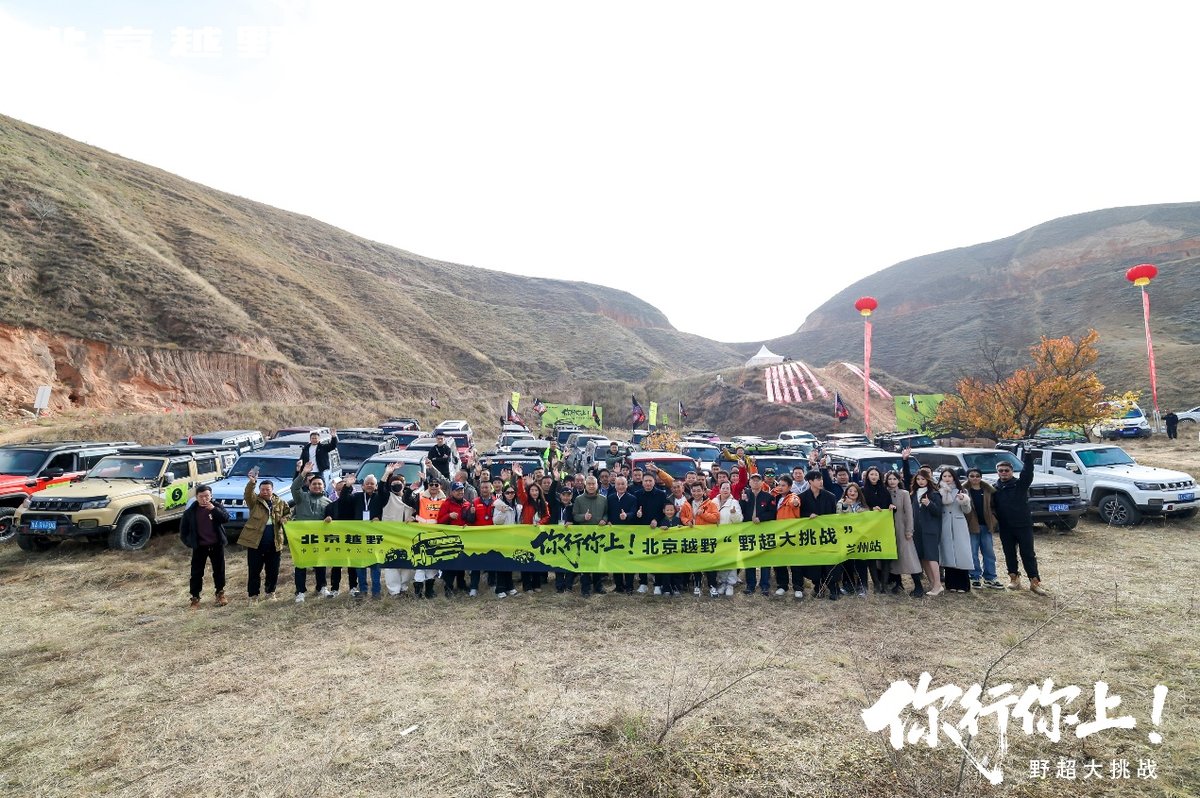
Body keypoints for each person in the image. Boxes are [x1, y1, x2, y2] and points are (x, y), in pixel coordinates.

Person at [993, 451, 1046, 595]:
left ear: (1011, 471)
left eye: (1006, 470)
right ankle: (1013, 578)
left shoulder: (1020, 485)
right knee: (1009, 553)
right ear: (997, 472)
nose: (1004, 473)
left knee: (1028, 554)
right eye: (1001, 471)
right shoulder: (994, 489)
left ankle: (1034, 582)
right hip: (1005, 527)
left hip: (1023, 525)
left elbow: (1027, 472)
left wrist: (1028, 457)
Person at [239, 470, 292, 601]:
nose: (265, 492)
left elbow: (288, 513)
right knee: (254, 571)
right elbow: (247, 494)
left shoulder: (280, 502)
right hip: (256, 542)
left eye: (267, 489)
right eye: (262, 489)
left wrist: (285, 519)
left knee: (273, 570)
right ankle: (253, 596)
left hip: (275, 542)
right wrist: (252, 482)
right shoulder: (254, 501)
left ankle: (270, 592)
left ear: (272, 490)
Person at [334, 474, 387, 599]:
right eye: (367, 483)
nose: (369, 485)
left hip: (374, 535)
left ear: (375, 486)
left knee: (375, 565)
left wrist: (379, 517)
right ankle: (362, 589)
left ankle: (376, 591)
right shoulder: (357, 497)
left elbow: (385, 499)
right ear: (362, 486)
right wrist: (347, 485)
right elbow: (343, 500)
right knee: (360, 564)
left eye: (372, 483)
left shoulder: (379, 497)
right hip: (358, 535)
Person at [290, 464, 336, 601]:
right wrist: (303, 473)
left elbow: (332, 520)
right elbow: (294, 487)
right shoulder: (301, 498)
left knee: (320, 563)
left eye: (319, 484)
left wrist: (330, 519)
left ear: (323, 486)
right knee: (301, 564)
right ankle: (300, 591)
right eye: (314, 484)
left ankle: (321, 587)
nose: (317, 486)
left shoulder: (327, 502)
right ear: (309, 486)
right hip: (302, 538)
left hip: (319, 538)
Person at [180, 484, 230, 608]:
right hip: (200, 547)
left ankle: (220, 593)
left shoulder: (217, 506)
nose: (204, 499)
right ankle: (195, 598)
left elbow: (225, 519)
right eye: (201, 496)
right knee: (196, 573)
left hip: (216, 545)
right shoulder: (190, 512)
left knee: (219, 571)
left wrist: (213, 509)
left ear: (211, 496)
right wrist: (191, 543)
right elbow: (183, 531)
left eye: (207, 496)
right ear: (196, 497)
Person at [799, 470, 838, 599]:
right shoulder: (801, 497)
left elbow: (835, 516)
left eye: (821, 479)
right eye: (817, 479)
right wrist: (807, 516)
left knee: (830, 562)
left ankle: (833, 588)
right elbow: (798, 516)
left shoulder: (830, 496)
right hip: (811, 536)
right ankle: (818, 586)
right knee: (815, 563)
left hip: (827, 535)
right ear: (810, 481)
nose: (821, 481)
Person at [964, 468, 1004, 590]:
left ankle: (990, 577)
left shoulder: (988, 490)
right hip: (971, 526)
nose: (975, 478)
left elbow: (994, 506)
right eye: (972, 476)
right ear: (968, 477)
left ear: (981, 477)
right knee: (973, 552)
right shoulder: (964, 491)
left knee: (989, 553)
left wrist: (993, 518)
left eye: (977, 476)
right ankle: (974, 577)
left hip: (986, 525)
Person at [380, 463, 416, 597]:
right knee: (392, 564)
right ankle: (394, 591)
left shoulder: (410, 497)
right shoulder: (386, 497)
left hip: (407, 536)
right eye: (393, 483)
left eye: (399, 483)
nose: (396, 485)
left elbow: (418, 510)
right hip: (391, 536)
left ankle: (404, 588)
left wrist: (413, 517)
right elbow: (381, 487)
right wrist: (387, 473)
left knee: (407, 562)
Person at [886, 470, 923, 596]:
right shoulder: (884, 493)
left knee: (909, 557)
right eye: (890, 479)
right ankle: (898, 583)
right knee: (894, 558)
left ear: (898, 480)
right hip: (888, 529)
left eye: (894, 479)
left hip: (902, 528)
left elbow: (909, 513)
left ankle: (918, 586)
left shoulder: (904, 493)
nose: (892, 481)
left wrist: (909, 530)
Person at [937, 469, 974, 593]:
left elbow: (967, 510)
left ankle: (963, 584)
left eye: (949, 476)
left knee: (961, 552)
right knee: (948, 552)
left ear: (954, 477)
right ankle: (951, 583)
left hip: (958, 523)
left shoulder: (962, 490)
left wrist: (964, 500)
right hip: (944, 523)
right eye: (944, 476)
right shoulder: (938, 491)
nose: (947, 478)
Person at [740, 473, 776, 596]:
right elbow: (741, 514)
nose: (755, 482)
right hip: (748, 532)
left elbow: (773, 514)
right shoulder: (745, 495)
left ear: (762, 483)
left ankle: (765, 585)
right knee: (749, 558)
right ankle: (750, 584)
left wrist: (761, 518)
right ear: (749, 482)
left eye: (758, 480)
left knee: (765, 558)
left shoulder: (768, 497)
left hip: (763, 531)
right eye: (753, 480)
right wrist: (743, 501)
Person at [515, 468, 551, 593]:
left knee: (536, 559)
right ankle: (527, 585)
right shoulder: (526, 502)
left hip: (538, 534)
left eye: (536, 490)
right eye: (532, 490)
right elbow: (520, 492)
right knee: (526, 559)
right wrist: (520, 478)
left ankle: (536, 584)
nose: (534, 492)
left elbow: (547, 516)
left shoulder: (543, 503)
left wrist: (540, 523)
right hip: (526, 534)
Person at [572, 475, 609, 597]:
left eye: (593, 484)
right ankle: (585, 588)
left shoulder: (603, 499)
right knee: (585, 563)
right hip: (584, 537)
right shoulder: (578, 499)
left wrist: (604, 519)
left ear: (597, 485)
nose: (591, 486)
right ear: (585, 485)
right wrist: (584, 517)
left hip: (599, 536)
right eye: (589, 484)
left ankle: (598, 586)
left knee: (598, 562)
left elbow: (606, 513)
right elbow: (574, 516)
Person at [682, 482, 720, 596]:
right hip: (693, 538)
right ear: (691, 492)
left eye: (699, 490)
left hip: (707, 538)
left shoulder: (710, 504)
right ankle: (697, 585)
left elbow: (716, 518)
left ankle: (712, 586)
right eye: (694, 491)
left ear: (703, 491)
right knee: (696, 562)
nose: (696, 493)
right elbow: (682, 516)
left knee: (710, 563)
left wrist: (703, 513)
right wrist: (686, 522)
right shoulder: (687, 504)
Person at [910, 469, 944, 597]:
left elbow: (938, 512)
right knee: (923, 557)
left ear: (928, 479)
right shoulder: (913, 494)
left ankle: (938, 584)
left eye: (923, 479)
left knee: (931, 556)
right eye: (918, 479)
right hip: (917, 530)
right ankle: (933, 583)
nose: (920, 481)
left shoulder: (934, 494)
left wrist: (929, 504)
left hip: (930, 529)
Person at [436, 482, 473, 597]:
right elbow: (439, 521)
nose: (460, 492)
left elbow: (470, 520)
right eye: (457, 490)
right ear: (452, 492)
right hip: (450, 538)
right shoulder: (446, 504)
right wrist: (449, 516)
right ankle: (448, 587)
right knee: (451, 563)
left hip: (464, 538)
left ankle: (461, 584)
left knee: (462, 561)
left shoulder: (467, 504)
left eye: (461, 490)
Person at [634, 472, 668, 594]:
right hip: (642, 530)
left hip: (657, 530)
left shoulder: (661, 495)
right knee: (642, 556)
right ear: (642, 482)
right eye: (645, 481)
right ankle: (643, 582)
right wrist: (637, 515)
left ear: (654, 482)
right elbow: (634, 511)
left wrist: (657, 520)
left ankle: (657, 584)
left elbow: (665, 512)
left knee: (656, 556)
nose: (648, 483)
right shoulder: (637, 494)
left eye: (650, 481)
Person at [860, 466, 892, 593]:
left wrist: (891, 507)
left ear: (880, 476)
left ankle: (884, 584)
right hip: (869, 528)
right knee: (871, 556)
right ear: (867, 476)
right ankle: (876, 584)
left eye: (876, 474)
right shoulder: (863, 490)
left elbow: (890, 506)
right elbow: (861, 507)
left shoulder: (885, 490)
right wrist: (871, 509)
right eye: (871, 474)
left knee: (886, 556)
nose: (874, 476)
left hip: (885, 527)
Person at [772, 475, 804, 598]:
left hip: (790, 534)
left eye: (783, 485)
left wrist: (795, 504)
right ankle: (782, 585)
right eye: (779, 484)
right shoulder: (775, 497)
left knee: (794, 561)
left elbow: (795, 503)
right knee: (779, 561)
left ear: (790, 486)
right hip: (777, 533)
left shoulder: (793, 497)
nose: (780, 487)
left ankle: (798, 587)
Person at [607, 476, 639, 594]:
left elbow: (634, 512)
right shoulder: (610, 498)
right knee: (616, 560)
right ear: (615, 485)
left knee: (628, 560)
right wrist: (608, 520)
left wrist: (627, 516)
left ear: (626, 486)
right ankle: (619, 585)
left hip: (628, 534)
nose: (620, 486)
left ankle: (629, 586)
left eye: (623, 484)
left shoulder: (632, 498)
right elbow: (607, 512)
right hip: (614, 534)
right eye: (618, 484)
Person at [836, 482, 869, 596]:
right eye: (850, 491)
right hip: (846, 537)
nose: (852, 493)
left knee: (861, 563)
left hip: (860, 538)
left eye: (855, 491)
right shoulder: (841, 503)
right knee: (847, 562)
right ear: (846, 492)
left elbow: (869, 519)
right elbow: (839, 515)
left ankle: (862, 587)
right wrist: (846, 505)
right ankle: (848, 585)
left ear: (858, 493)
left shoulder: (863, 505)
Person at [467, 480, 497, 597]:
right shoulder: (474, 502)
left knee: (492, 561)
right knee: (476, 562)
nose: (484, 490)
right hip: (478, 538)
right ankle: (474, 587)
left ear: (491, 488)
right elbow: (469, 520)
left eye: (487, 488)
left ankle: (492, 583)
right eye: (482, 488)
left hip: (492, 537)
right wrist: (471, 513)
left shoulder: (497, 502)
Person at [715, 481, 743, 596]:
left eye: (728, 488)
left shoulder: (734, 502)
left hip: (730, 536)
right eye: (723, 488)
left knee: (731, 560)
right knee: (721, 560)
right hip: (717, 537)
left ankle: (730, 584)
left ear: (730, 490)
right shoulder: (713, 502)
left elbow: (739, 519)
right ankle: (722, 582)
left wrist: (733, 513)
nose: (725, 490)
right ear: (719, 489)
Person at [492, 484, 520, 597]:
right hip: (501, 538)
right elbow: (496, 521)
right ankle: (500, 589)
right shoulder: (499, 505)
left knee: (509, 563)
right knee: (501, 564)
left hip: (512, 539)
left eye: (512, 492)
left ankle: (510, 586)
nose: (510, 494)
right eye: (508, 492)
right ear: (504, 493)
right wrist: (502, 512)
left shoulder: (517, 506)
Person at [553, 485, 578, 594]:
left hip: (570, 539)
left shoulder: (575, 507)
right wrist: (556, 481)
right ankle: (559, 585)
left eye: (568, 495)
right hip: (557, 537)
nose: (566, 497)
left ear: (571, 496)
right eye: (564, 495)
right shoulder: (556, 506)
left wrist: (573, 523)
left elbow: (579, 520)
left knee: (570, 561)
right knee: (558, 561)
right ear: (560, 496)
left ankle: (568, 585)